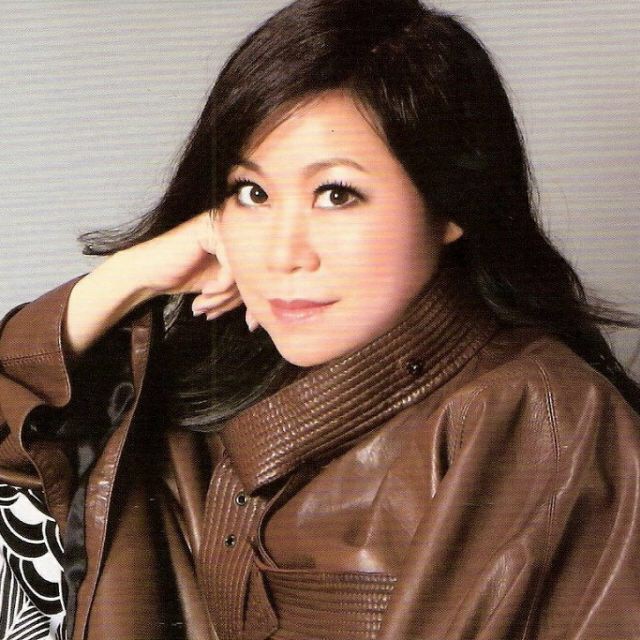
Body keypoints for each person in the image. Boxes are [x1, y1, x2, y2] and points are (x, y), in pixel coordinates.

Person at [1, 0, 639, 638]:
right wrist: (132, 275)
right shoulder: (197, 396)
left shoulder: (538, 418)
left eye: (336, 194)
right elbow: (17, 458)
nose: (283, 253)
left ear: (450, 204)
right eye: (252, 192)